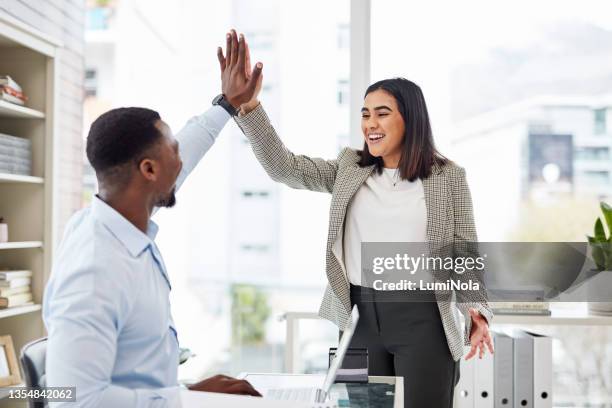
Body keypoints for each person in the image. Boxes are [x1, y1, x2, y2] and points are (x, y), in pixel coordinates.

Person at [223, 47, 494, 405]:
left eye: (382, 114)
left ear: (410, 121)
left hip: (425, 320)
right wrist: (249, 107)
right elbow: (284, 168)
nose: (370, 124)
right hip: (359, 320)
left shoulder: (448, 178)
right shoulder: (349, 169)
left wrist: (477, 311)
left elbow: (464, 252)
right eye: (365, 114)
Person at [44, 30, 262, 407]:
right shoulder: (94, 269)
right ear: (148, 170)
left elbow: (189, 150)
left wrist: (227, 104)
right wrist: (185, 397)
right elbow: (73, 401)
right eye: (172, 151)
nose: (180, 161)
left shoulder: (120, 221)